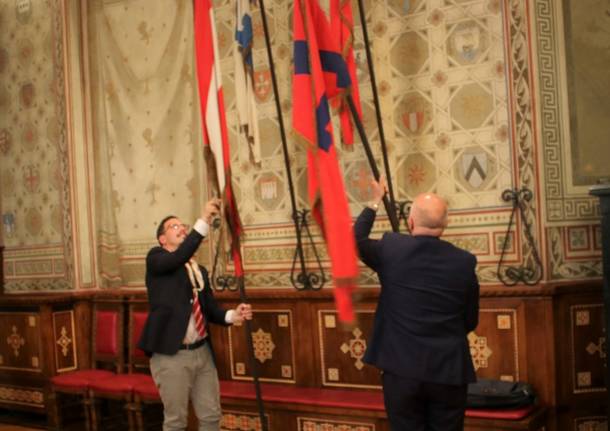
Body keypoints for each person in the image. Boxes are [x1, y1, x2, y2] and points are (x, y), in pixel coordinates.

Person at [354, 178, 479, 431]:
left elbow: (356, 239)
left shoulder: (391, 249)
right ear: (445, 224)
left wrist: (375, 201)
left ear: (410, 222)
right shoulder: (464, 262)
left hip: (401, 370)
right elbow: (470, 319)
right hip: (449, 369)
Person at [138, 197, 252, 431]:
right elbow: (178, 258)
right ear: (162, 239)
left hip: (202, 353)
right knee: (176, 422)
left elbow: (209, 309)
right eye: (174, 226)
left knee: (211, 416)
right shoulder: (156, 259)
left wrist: (233, 315)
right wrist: (204, 219)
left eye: (183, 226)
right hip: (171, 356)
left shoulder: (198, 271)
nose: (181, 228)